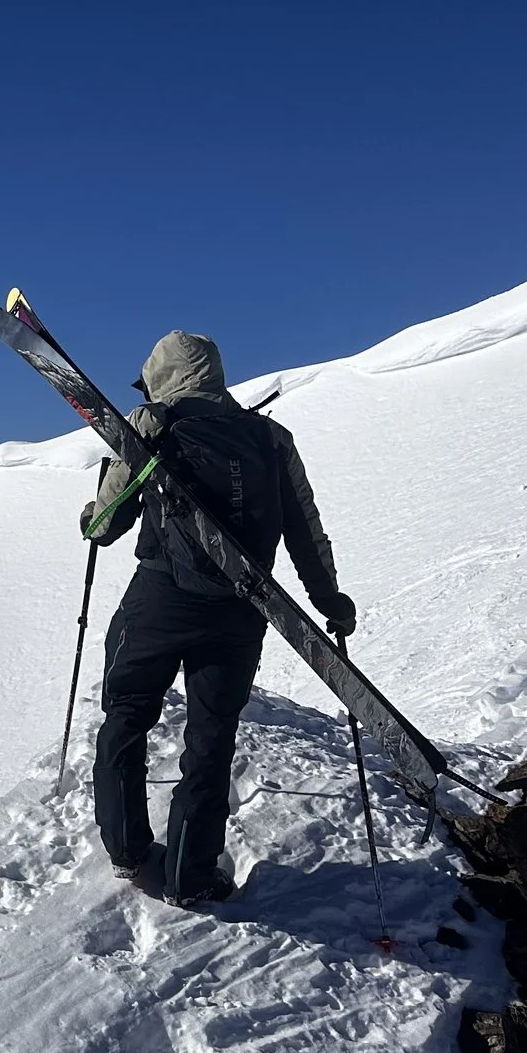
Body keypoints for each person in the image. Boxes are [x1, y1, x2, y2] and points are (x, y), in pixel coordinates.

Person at [80, 330, 355, 904]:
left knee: (127, 717)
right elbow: (306, 528)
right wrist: (330, 602)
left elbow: (102, 526)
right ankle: (190, 875)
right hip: (241, 609)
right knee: (212, 739)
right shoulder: (271, 440)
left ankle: (128, 850)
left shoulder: (150, 426)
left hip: (157, 602)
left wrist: (93, 502)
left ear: (160, 376)